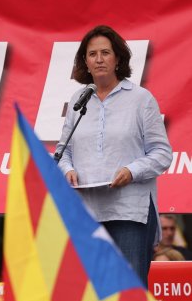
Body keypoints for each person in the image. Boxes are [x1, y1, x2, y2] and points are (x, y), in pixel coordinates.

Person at [56, 25, 172, 287]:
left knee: (128, 296)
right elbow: (63, 153)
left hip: (129, 213)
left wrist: (131, 171)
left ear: (118, 58)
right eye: (92, 53)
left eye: (105, 53)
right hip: (87, 215)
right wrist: (67, 170)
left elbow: (162, 153)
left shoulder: (141, 99)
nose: (98, 59)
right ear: (84, 61)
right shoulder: (79, 100)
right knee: (91, 298)